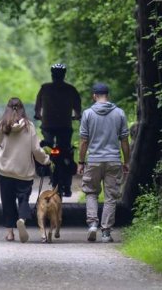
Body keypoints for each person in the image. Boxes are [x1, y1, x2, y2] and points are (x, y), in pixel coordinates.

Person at [0, 97, 50, 243]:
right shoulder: (29, 127)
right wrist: (46, 160)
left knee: (7, 201)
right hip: (24, 172)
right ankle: (22, 220)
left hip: (5, 171)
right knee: (23, 199)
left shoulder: (2, 125)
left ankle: (10, 233)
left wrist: (0, 131)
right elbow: (36, 150)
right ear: (22, 109)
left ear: (7, 109)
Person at [78, 82, 130, 243]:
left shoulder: (87, 114)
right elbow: (124, 141)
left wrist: (81, 161)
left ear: (94, 96)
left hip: (93, 160)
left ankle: (93, 223)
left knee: (91, 192)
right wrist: (126, 161)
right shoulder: (119, 113)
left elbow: (84, 141)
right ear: (108, 96)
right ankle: (106, 232)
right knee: (110, 197)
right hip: (113, 160)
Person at [34, 63, 81, 196]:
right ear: (64, 75)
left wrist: (38, 115)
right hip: (65, 126)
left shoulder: (45, 88)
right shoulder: (70, 89)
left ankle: (43, 167)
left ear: (52, 75)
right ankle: (67, 180)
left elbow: (38, 106)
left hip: (48, 125)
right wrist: (77, 116)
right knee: (66, 151)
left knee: (47, 146)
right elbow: (77, 107)